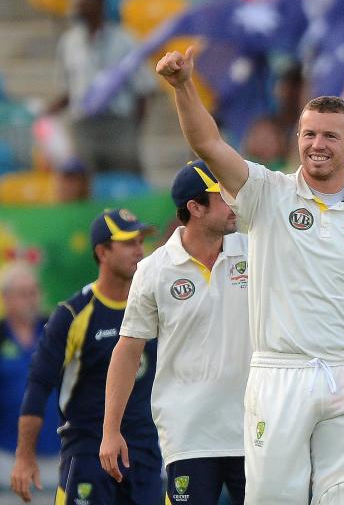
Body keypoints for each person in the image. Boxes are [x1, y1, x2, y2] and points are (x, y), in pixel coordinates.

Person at [154, 47, 344, 504]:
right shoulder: (267, 193)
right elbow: (207, 145)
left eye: (330, 136)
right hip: (280, 374)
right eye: (309, 134)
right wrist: (184, 88)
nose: (317, 144)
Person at [99, 160, 250, 504]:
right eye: (223, 195)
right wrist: (110, 431)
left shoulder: (255, 249)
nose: (235, 203)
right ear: (195, 208)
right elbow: (127, 349)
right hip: (189, 434)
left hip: (255, 428)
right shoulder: (153, 271)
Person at [10, 209, 160, 504]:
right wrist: (25, 457)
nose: (139, 250)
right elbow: (39, 385)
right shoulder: (73, 314)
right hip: (88, 452)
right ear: (102, 251)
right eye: (128, 242)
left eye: (140, 241)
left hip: (145, 452)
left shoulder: (155, 306)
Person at [49, 0, 155, 173]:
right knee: (84, 184)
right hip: (83, 126)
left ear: (100, 4)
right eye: (76, 2)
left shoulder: (125, 40)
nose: (78, 6)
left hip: (118, 123)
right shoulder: (68, 42)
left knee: (127, 179)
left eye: (84, 1)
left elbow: (144, 88)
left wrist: (133, 127)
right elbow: (68, 89)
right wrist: (49, 111)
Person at [0, 264, 60, 490]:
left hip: (57, 454)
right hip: (7, 456)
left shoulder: (54, 331)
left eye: (34, 292)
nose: (30, 299)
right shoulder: (1, 336)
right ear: (6, 298)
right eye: (23, 293)